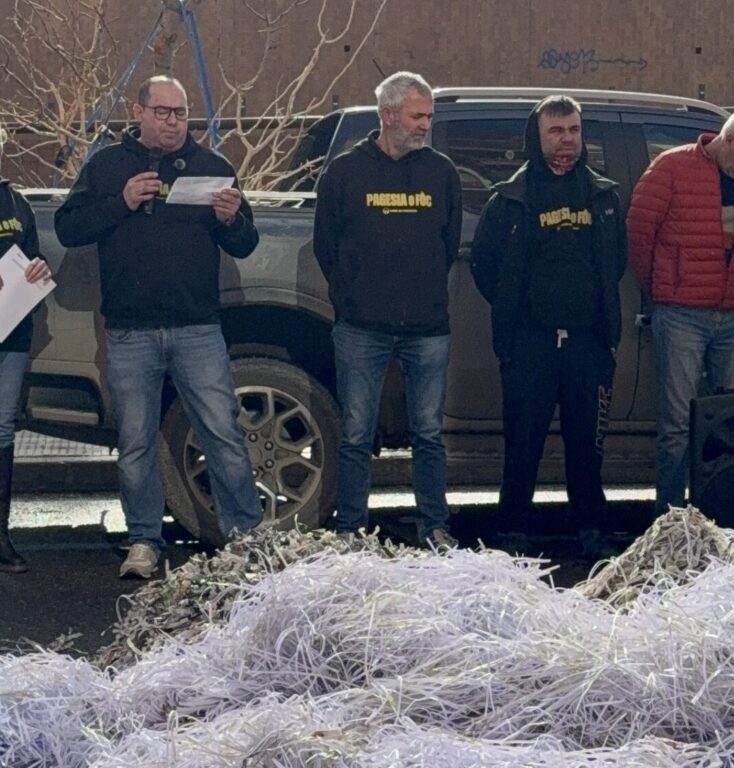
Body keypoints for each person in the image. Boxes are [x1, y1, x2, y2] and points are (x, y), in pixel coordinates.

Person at [54, 75, 262, 578]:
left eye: (181, 113)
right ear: (139, 112)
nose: (173, 123)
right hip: (131, 331)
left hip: (197, 328)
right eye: (163, 112)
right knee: (136, 442)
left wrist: (232, 220)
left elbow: (245, 243)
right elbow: (68, 227)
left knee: (223, 434)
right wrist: (120, 202)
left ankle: (246, 539)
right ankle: (144, 539)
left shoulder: (213, 167)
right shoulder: (107, 165)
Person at [313, 71, 462, 548]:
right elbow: (325, 247)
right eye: (417, 116)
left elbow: (449, 244)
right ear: (388, 115)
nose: (425, 125)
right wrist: (352, 299)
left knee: (429, 435)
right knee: (356, 434)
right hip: (362, 327)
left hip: (428, 327)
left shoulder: (442, 173)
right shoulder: (344, 172)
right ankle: (351, 529)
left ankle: (434, 527)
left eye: (428, 117)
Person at [471, 95, 625, 533]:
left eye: (573, 130)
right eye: (556, 131)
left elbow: (616, 262)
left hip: (589, 345)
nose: (566, 140)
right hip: (529, 346)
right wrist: (519, 311)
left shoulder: (603, 196)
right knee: (522, 445)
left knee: (587, 448)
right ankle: (512, 531)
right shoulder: (511, 198)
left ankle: (591, 532)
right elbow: (484, 265)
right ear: (536, 137)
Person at [627, 106, 734, 515]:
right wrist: (661, 290)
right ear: (730, 140)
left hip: (733, 311)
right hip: (682, 312)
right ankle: (670, 520)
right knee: (678, 425)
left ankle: (727, 517)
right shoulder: (671, 168)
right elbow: (639, 234)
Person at [0, 175, 52, 573]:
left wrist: (38, 268)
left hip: (11, 328)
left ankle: (0, 536)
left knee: (2, 428)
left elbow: (33, 256)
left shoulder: (17, 202)